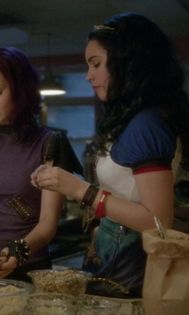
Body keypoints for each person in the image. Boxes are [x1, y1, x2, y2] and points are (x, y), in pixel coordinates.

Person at [31, 12, 189, 297]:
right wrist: (64, 181)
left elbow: (157, 221)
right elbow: (125, 189)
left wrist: (80, 189)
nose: (88, 75)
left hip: (134, 273)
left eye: (96, 64)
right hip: (119, 267)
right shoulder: (140, 119)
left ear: (127, 62)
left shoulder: (147, 124)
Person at [0, 47, 82, 281]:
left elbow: (47, 225)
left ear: (21, 91)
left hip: (25, 269)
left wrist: (16, 252)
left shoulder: (49, 142)